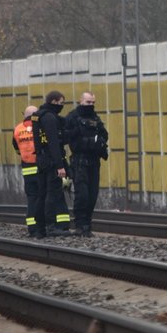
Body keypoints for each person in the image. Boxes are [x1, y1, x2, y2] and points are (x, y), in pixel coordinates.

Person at [65, 91, 108, 237]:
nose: (91, 105)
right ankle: (80, 225)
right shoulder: (72, 117)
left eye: (93, 103)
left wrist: (100, 143)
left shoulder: (95, 118)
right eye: (88, 102)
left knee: (92, 196)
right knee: (82, 195)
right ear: (81, 101)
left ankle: (87, 226)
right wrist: (89, 142)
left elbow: (104, 134)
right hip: (80, 161)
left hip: (94, 162)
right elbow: (70, 138)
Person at [30, 90, 71, 237]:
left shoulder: (37, 116)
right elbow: (53, 143)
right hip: (52, 161)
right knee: (52, 194)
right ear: (54, 102)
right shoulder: (49, 118)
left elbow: (38, 140)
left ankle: (40, 228)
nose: (62, 106)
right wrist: (60, 165)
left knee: (41, 194)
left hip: (41, 159)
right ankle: (50, 225)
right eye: (61, 103)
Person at [12, 105, 41, 238]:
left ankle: (32, 227)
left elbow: (17, 149)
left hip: (27, 169)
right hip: (41, 168)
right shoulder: (40, 126)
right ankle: (42, 226)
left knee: (31, 199)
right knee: (43, 197)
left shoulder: (18, 129)